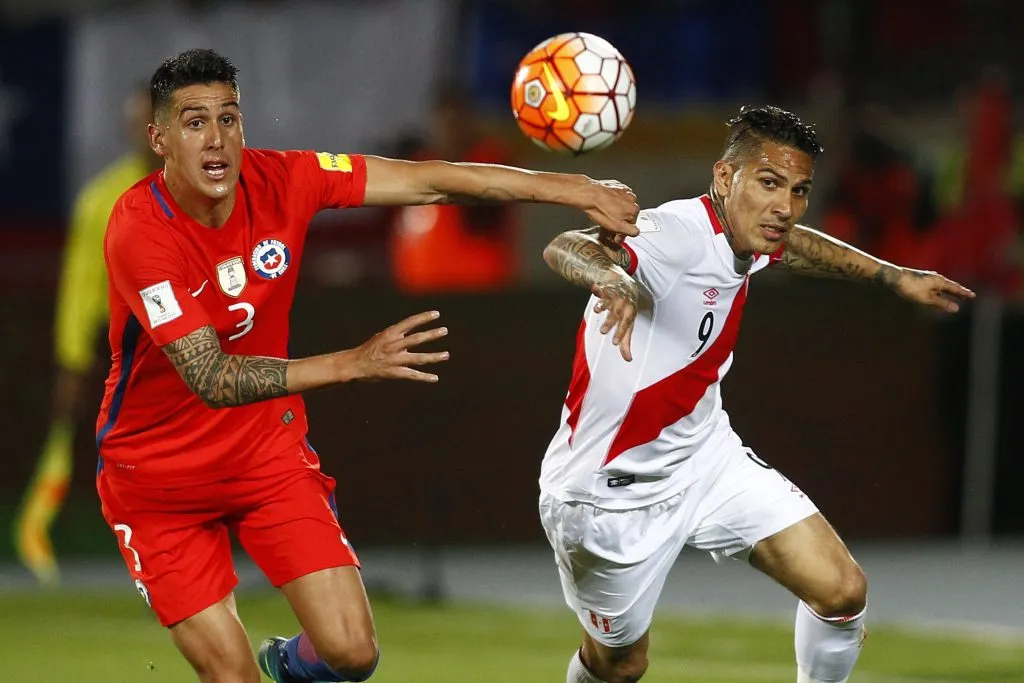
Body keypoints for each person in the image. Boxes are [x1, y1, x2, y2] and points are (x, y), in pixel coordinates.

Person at [97, 48, 638, 683]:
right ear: (159, 138)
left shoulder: (284, 180)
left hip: (262, 455)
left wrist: (570, 190)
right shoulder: (139, 231)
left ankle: (287, 666)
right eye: (194, 123)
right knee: (230, 677)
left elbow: (427, 180)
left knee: (352, 653)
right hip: (158, 478)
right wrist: (353, 363)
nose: (216, 139)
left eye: (229, 118)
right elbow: (212, 378)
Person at [538, 105, 975, 683]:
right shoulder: (672, 234)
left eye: (799, 190)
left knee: (841, 590)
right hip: (609, 492)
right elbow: (566, 243)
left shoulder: (749, 234)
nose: (785, 208)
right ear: (724, 177)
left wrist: (891, 276)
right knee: (619, 666)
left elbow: (791, 246)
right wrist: (609, 277)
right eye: (769, 184)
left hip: (704, 457)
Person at [13, 84, 160, 585]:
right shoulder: (103, 198)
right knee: (129, 460)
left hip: (195, 350)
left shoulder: (201, 189)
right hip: (124, 351)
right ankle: (133, 559)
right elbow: (82, 285)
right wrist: (73, 359)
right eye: (140, 120)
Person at [389, 81, 520, 293]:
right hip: (419, 293)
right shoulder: (420, 164)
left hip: (476, 294)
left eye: (457, 117)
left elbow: (482, 214)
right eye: (443, 118)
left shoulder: (489, 163)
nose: (449, 126)